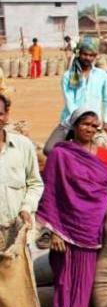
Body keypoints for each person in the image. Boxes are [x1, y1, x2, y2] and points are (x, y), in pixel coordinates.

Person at [35, 107, 107, 307]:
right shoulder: (61, 155)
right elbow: (52, 192)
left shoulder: (103, 155)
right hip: (65, 227)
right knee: (64, 279)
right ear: (75, 126)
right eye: (84, 124)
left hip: (91, 226)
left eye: (93, 125)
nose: (89, 129)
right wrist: (54, 230)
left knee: (85, 282)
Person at [44, 36, 107, 154]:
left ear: (95, 56)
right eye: (84, 54)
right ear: (78, 53)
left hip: (93, 123)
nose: (88, 58)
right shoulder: (69, 76)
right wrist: (78, 121)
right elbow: (69, 100)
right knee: (49, 150)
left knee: (97, 153)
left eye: (91, 55)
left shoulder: (102, 75)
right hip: (70, 120)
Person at [0, 93, 43, 228]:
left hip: (18, 229)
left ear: (6, 115)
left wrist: (26, 208)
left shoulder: (23, 146)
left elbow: (35, 183)